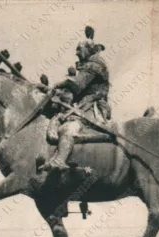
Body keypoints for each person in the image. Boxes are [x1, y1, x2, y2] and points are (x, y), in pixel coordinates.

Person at [42, 25, 111, 171]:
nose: (77, 53)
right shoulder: (90, 63)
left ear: (88, 49)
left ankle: (60, 160)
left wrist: (57, 85)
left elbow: (77, 85)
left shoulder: (94, 64)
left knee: (68, 128)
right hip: (84, 104)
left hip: (92, 108)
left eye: (79, 50)